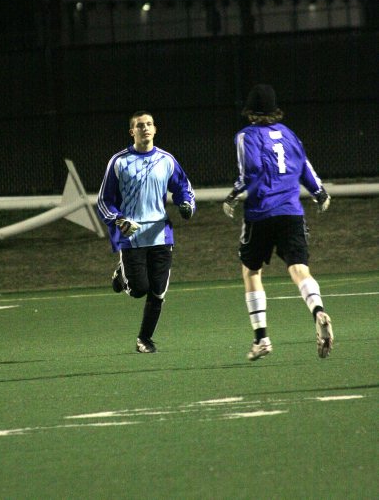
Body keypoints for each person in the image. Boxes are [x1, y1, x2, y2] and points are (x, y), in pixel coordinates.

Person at [223, 84, 334, 361]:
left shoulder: (245, 136)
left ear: (249, 111)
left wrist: (233, 195)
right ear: (275, 110)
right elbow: (305, 167)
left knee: (251, 272)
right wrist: (319, 192)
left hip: (260, 213)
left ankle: (261, 338)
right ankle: (318, 310)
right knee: (299, 269)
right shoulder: (289, 134)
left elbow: (249, 170)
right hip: (291, 212)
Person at [97, 110, 196, 353]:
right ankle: (122, 275)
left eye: (149, 124)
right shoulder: (119, 162)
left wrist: (186, 205)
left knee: (158, 291)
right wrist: (118, 219)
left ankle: (145, 339)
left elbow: (183, 188)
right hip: (131, 237)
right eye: (140, 125)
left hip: (161, 234)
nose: (145, 128)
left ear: (155, 129)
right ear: (132, 132)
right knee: (139, 289)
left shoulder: (166, 160)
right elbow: (103, 201)